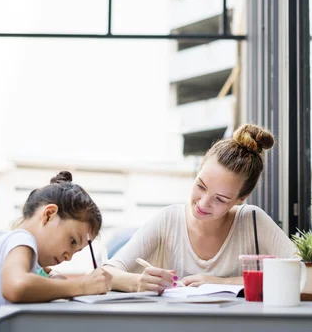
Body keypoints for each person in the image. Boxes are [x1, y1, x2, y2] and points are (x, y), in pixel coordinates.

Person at [103, 124, 297, 292]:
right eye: (201, 186)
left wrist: (221, 283)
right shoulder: (169, 220)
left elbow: (302, 272)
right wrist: (138, 282)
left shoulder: (252, 221)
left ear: (241, 198)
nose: (203, 203)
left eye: (220, 199)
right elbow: (106, 272)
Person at [0, 171, 114, 332]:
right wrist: (82, 286)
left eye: (77, 251)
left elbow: (41, 273)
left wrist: (54, 277)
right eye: (72, 241)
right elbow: (17, 286)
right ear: (49, 215)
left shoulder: (4, 241)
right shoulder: (22, 239)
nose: (69, 256)